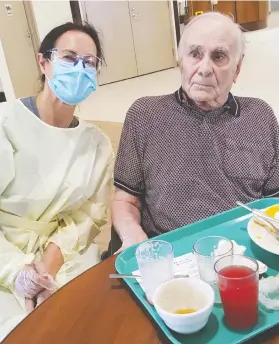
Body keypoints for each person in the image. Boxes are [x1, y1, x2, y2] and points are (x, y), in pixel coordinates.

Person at [111, 12, 279, 252]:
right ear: (181, 59)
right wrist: (133, 234)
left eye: (219, 56)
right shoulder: (145, 115)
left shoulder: (260, 116)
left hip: (243, 254)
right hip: (169, 252)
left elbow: (275, 203)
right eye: (195, 54)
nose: (204, 69)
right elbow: (125, 199)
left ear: (237, 69)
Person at [0, 22, 113, 340]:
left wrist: (47, 268)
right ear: (43, 62)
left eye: (89, 62)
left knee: (88, 325)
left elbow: (88, 216)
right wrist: (18, 273)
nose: (79, 68)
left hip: (64, 258)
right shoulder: (6, 123)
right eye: (68, 57)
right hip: (3, 258)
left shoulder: (97, 144)